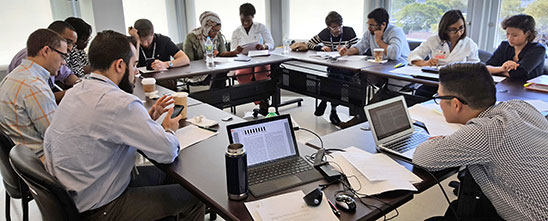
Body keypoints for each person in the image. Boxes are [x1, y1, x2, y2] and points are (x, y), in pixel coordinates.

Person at [43, 30, 205, 220]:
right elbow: (167, 152)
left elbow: (108, 130)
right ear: (120, 65)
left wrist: (147, 120)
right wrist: (169, 129)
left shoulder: (75, 92)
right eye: (134, 65)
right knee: (195, 197)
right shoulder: (119, 102)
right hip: (101, 208)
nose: (136, 72)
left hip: (75, 197)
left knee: (168, 179)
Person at [414, 62, 548, 220]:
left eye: (439, 97)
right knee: (457, 209)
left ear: (456, 104)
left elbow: (422, 157)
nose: (439, 102)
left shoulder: (486, 132)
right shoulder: (520, 106)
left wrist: (445, 140)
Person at [0, 29, 67, 155]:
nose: (63, 62)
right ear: (46, 51)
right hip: (41, 161)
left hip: (21, 159)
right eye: (62, 56)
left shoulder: (13, 76)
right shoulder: (34, 86)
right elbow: (57, 139)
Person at [408, 10, 479, 97]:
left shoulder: (469, 44)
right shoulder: (434, 40)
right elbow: (414, 55)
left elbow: (476, 67)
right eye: (453, 29)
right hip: (435, 81)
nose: (459, 32)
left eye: (461, 28)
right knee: (420, 94)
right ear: (445, 29)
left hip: (458, 84)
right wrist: (425, 63)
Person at [8, 21, 80, 103]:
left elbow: (67, 75)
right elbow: (42, 97)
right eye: (68, 42)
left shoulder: (53, 57)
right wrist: (73, 92)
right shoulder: (29, 57)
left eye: (73, 44)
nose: (70, 48)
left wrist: (81, 84)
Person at [308, 11, 359, 125]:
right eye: (334, 27)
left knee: (334, 77)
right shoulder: (324, 33)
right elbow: (310, 43)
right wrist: (321, 47)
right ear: (329, 28)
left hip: (348, 66)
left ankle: (325, 99)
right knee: (335, 76)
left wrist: (347, 50)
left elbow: (358, 47)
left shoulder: (349, 31)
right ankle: (333, 111)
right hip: (334, 65)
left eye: (340, 26)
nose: (338, 29)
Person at [231, 3, 275, 115]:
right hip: (244, 60)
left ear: (253, 17)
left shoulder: (261, 27)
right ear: (239, 17)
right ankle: (260, 100)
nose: (245, 23)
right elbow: (232, 50)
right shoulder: (236, 32)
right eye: (243, 20)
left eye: (248, 20)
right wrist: (237, 50)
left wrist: (264, 46)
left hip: (260, 58)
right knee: (241, 73)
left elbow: (271, 43)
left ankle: (263, 101)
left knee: (260, 72)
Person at [183, 11, 241, 89]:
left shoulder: (218, 35)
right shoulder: (191, 38)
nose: (216, 33)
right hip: (199, 73)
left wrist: (235, 52)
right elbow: (189, 62)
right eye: (214, 30)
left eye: (218, 30)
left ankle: (219, 97)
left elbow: (222, 53)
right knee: (219, 75)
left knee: (221, 73)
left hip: (215, 69)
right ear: (206, 27)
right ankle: (219, 97)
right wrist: (208, 56)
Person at [486, 14, 546, 80]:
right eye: (507, 34)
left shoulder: (538, 49)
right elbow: (486, 68)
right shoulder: (504, 45)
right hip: (504, 86)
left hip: (527, 88)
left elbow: (519, 74)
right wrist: (501, 69)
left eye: (514, 35)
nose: (509, 38)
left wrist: (496, 71)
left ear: (527, 33)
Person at [339, 8, 410, 61]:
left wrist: (379, 41)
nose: (369, 28)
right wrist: (347, 51)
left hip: (398, 66)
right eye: (368, 24)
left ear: (383, 24)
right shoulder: (370, 32)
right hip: (379, 66)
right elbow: (360, 46)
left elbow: (394, 55)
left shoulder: (396, 31)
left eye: (372, 25)